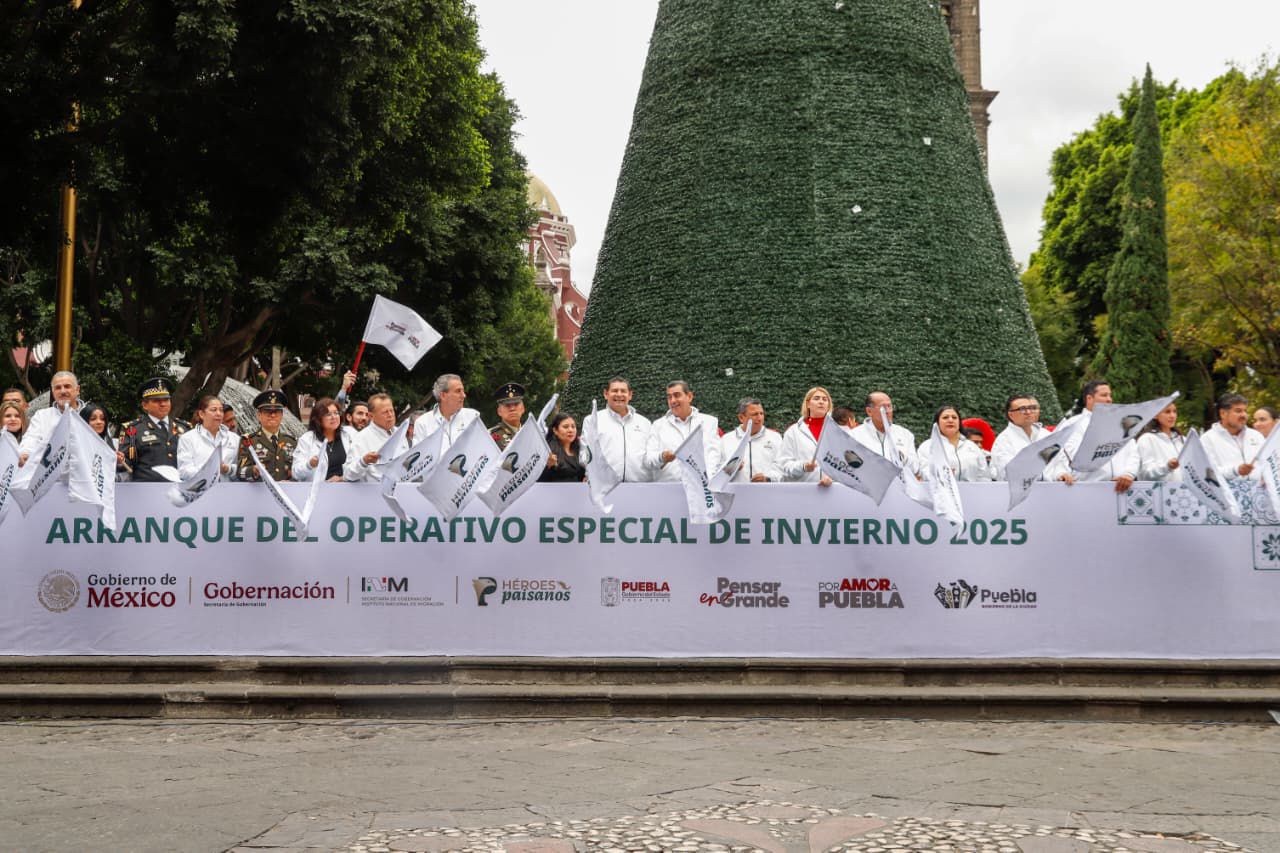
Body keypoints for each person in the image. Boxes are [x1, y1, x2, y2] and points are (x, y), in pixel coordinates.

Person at [1043, 380, 1138, 491]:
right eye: (1104, 395)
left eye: (1110, 395)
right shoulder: (1072, 425)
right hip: (1083, 489)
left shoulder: (1120, 425)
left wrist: (1129, 473)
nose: (1109, 399)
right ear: (1089, 398)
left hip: (1121, 489)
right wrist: (1060, 473)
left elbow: (1133, 452)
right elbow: (1056, 456)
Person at [645, 380, 723, 482]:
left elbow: (714, 455)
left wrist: (708, 479)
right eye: (669, 397)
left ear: (689, 396)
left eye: (677, 395)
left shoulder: (709, 422)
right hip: (668, 487)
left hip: (701, 486)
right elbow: (649, 460)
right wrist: (662, 457)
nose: (672, 400)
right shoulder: (658, 425)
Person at [580, 376, 652, 482]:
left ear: (630, 395)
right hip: (604, 486)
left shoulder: (645, 423)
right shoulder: (592, 420)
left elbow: (651, 455)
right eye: (614, 390)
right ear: (606, 394)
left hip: (640, 485)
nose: (619, 394)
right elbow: (585, 454)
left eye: (623, 391)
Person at [119, 376, 188, 481]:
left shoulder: (184, 427)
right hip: (147, 488)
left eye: (166, 400)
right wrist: (121, 460)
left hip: (180, 487)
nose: (163, 404)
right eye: (157, 401)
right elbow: (124, 463)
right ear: (145, 405)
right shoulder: (133, 429)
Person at [18, 370, 86, 464]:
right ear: (53, 392)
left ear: (77, 390)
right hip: (51, 471)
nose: (63, 391)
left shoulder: (93, 415)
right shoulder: (42, 416)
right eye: (58, 388)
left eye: (67, 386)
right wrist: (25, 453)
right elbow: (31, 439)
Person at [917, 405, 991, 481]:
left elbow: (984, 476)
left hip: (972, 488)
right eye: (945, 417)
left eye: (954, 417)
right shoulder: (927, 447)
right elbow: (924, 475)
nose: (950, 420)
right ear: (937, 423)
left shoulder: (972, 446)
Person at [851, 391, 919, 473]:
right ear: (869, 411)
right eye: (883, 407)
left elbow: (915, 468)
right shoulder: (854, 435)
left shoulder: (905, 434)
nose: (888, 411)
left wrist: (903, 458)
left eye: (889, 406)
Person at [1202, 393, 1265, 481]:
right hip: (1226, 489)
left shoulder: (1256, 436)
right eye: (1238, 411)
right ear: (1223, 413)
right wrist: (1236, 470)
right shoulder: (1207, 439)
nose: (1244, 415)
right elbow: (1209, 472)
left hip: (1260, 489)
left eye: (1245, 411)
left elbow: (1267, 464)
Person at [778, 386, 835, 485]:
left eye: (825, 399)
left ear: (828, 405)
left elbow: (845, 466)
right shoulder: (793, 432)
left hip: (832, 490)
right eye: (816, 398)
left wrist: (833, 479)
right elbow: (784, 465)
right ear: (808, 404)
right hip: (803, 490)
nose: (821, 402)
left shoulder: (837, 432)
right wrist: (803, 467)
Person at [719, 398, 784, 482]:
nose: (760, 418)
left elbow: (782, 467)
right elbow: (717, 471)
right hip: (736, 490)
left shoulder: (775, 437)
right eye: (755, 414)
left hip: (766, 490)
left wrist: (768, 478)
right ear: (741, 417)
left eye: (761, 413)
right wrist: (730, 469)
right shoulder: (726, 440)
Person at [236, 389, 296, 481]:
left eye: (276, 411)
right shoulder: (249, 441)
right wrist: (253, 470)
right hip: (260, 489)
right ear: (259, 415)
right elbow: (240, 473)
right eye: (268, 411)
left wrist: (291, 481)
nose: (272, 415)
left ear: (281, 415)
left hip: (286, 489)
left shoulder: (291, 442)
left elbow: (299, 472)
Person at [292, 397, 356, 482]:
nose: (334, 417)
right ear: (318, 419)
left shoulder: (350, 434)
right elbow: (296, 473)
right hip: (318, 488)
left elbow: (358, 465)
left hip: (347, 486)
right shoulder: (307, 439)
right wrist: (309, 465)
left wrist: (342, 478)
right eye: (328, 414)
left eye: (336, 413)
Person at [415, 373, 482, 452]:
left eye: (463, 391)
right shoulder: (422, 423)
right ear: (443, 395)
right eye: (458, 391)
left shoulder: (473, 416)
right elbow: (419, 456)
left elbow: (481, 449)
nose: (463, 395)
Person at [177, 396, 239, 480]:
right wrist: (208, 470)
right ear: (201, 414)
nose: (218, 413)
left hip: (228, 487)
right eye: (214, 410)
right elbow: (184, 472)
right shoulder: (187, 438)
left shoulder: (234, 438)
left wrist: (228, 469)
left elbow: (241, 469)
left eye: (221, 410)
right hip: (200, 487)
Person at [989, 394, 1049, 481]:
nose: (1029, 412)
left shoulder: (1046, 434)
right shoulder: (1004, 440)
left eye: (1033, 408)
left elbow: (1058, 462)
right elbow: (1008, 473)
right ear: (1011, 414)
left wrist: (1060, 474)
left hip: (1053, 486)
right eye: (1022, 409)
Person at [344, 392, 399, 482]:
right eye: (385, 412)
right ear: (371, 416)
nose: (390, 415)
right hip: (374, 489)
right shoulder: (361, 438)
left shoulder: (400, 432)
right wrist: (363, 462)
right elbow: (348, 475)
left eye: (391, 411)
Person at [1136, 401, 1184, 482]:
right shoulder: (1146, 439)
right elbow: (1145, 472)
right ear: (1155, 415)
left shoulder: (1182, 439)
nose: (1172, 416)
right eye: (1167, 412)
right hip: (1157, 490)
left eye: (1174, 411)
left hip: (1184, 489)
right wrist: (1167, 467)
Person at [540, 412, 587, 482]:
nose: (570, 430)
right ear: (555, 430)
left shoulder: (581, 449)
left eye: (573, 427)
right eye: (565, 427)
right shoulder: (548, 452)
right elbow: (538, 480)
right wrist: (548, 466)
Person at [489, 382, 527, 450]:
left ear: (523, 408)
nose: (512, 409)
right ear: (499, 411)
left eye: (516, 404)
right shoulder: (490, 436)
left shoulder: (530, 433)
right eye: (507, 405)